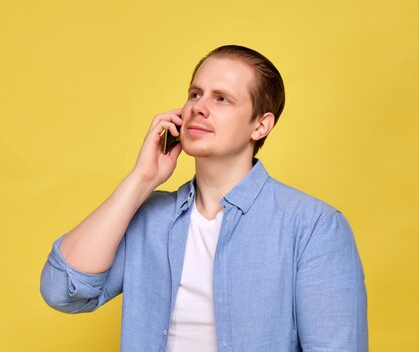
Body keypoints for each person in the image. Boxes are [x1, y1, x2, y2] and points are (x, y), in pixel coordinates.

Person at [40, 45, 368, 352]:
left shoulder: (314, 227)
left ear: (261, 126)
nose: (198, 106)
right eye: (195, 94)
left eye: (222, 98)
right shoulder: (150, 217)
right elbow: (62, 291)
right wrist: (142, 179)